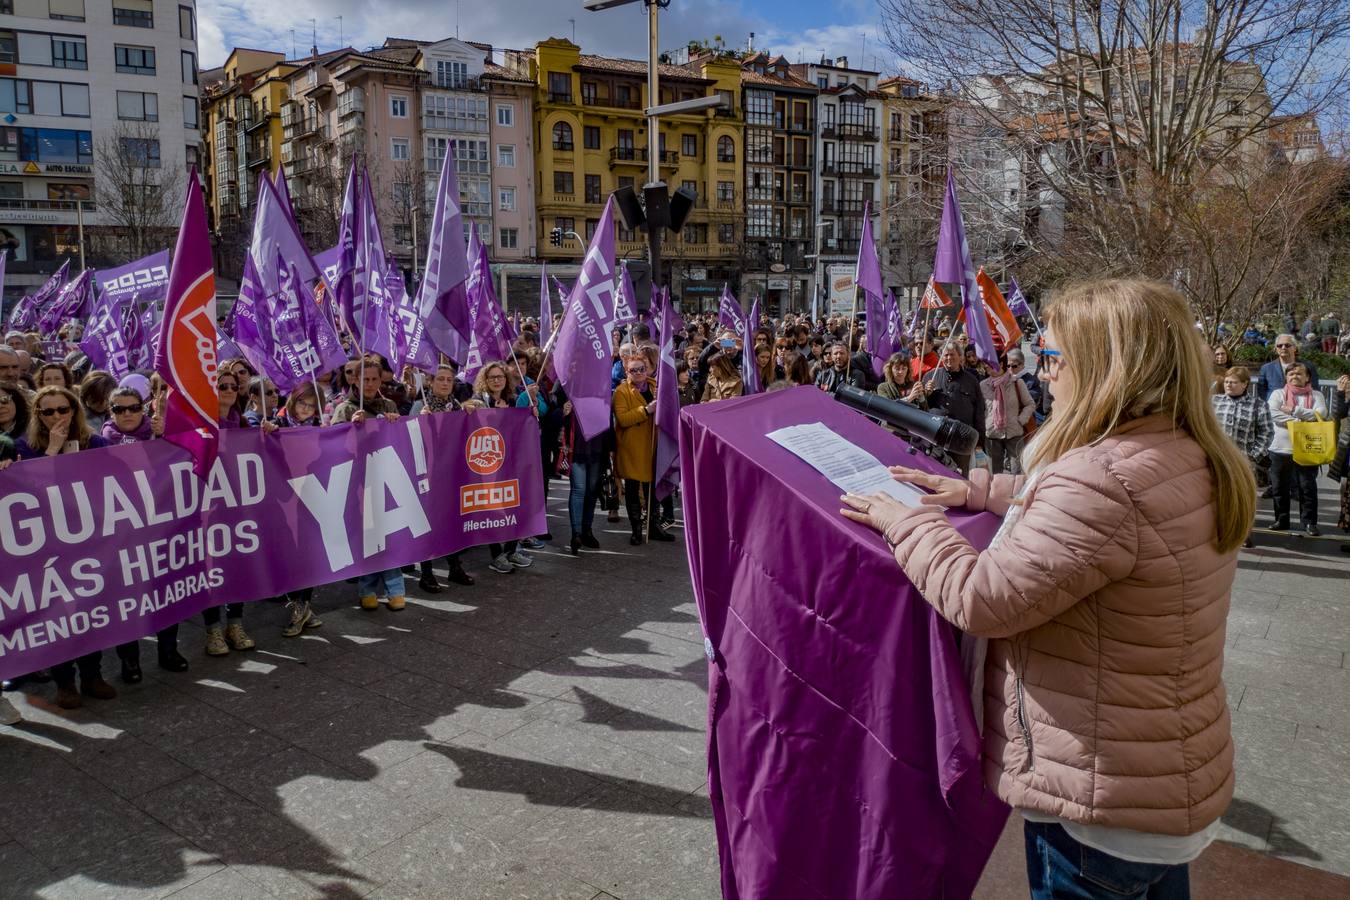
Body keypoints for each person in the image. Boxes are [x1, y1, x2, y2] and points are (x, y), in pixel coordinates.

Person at [841, 278, 1254, 900]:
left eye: (1053, 359)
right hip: (1157, 779)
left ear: (1102, 369)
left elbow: (982, 599)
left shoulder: (1103, 478)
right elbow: (1093, 521)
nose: (1044, 375)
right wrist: (983, 491)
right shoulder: (1182, 449)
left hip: (1096, 801)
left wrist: (907, 521)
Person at [17, 386, 118, 709]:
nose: (57, 416)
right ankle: (65, 682)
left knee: (89, 611)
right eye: (48, 412)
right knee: (57, 615)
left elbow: (115, 480)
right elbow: (28, 494)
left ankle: (92, 675)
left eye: (63, 409)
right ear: (38, 416)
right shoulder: (26, 447)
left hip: (87, 542)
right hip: (47, 547)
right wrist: (54, 451)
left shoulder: (95, 442)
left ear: (74, 411)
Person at [334, 363, 414, 606]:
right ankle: (367, 589)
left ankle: (395, 588)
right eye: (364, 379)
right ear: (355, 381)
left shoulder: (389, 405)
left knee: (390, 533)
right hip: (359, 481)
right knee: (368, 537)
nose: (369, 384)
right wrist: (349, 427)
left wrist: (395, 423)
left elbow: (400, 438)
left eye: (373, 379)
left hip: (387, 477)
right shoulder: (345, 408)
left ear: (380, 381)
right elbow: (332, 444)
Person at [409, 364, 476, 589]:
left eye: (449, 379)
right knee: (429, 524)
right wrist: (419, 420)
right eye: (440, 379)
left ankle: (455, 567)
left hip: (451, 474)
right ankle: (426, 574)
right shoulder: (421, 406)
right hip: (428, 475)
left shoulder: (455, 406)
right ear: (430, 382)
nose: (446, 383)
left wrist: (467, 416)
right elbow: (409, 438)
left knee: (451, 521)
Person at [471, 361, 533, 573]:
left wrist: (531, 415)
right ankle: (497, 555)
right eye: (492, 377)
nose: (497, 380)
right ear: (485, 381)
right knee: (493, 508)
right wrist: (491, 413)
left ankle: (511, 549)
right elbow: (472, 419)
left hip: (512, 463)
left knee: (514, 505)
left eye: (500, 377)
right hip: (489, 465)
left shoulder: (513, 400)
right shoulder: (479, 401)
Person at [613, 355, 674, 544]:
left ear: (647, 369)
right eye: (634, 370)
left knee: (653, 489)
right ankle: (636, 529)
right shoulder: (622, 391)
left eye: (642, 369)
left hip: (654, 444)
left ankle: (653, 526)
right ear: (627, 372)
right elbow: (623, 419)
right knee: (633, 488)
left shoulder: (657, 386)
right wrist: (646, 410)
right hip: (633, 447)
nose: (639, 373)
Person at [1266, 361, 1327, 536]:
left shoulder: (1316, 395)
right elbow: (1273, 413)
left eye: (1299, 374)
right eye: (1291, 374)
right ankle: (1281, 519)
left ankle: (1309, 522)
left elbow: (1320, 414)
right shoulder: (1278, 394)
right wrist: (1300, 422)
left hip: (1307, 448)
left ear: (1307, 377)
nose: (1294, 376)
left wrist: (1292, 409)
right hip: (1280, 448)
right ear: (1286, 377)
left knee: (1307, 487)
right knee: (1279, 487)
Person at [922, 341, 986, 474]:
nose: (948, 358)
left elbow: (979, 411)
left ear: (961, 357)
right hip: (935, 438)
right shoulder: (930, 377)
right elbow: (921, 408)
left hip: (961, 440)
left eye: (952, 355)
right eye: (945, 355)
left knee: (960, 475)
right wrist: (925, 394)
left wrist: (979, 442)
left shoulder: (972, 380)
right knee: (935, 474)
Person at [980, 354, 1035, 474]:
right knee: (994, 474)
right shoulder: (983, 385)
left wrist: (1020, 420)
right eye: (985, 363)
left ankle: (1016, 493)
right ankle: (996, 493)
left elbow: (1030, 404)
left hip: (1014, 433)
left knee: (1017, 472)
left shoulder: (1017, 382)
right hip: (992, 434)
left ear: (1000, 364)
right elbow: (980, 409)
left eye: (988, 363)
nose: (985, 366)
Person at [1257, 334, 1320, 400]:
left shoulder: (1308, 366)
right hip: (1274, 407)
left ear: (1295, 348)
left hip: (1302, 407)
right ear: (1276, 349)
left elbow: (1315, 389)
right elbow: (1262, 392)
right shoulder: (1266, 368)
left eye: (1287, 345)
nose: (1283, 348)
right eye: (1280, 346)